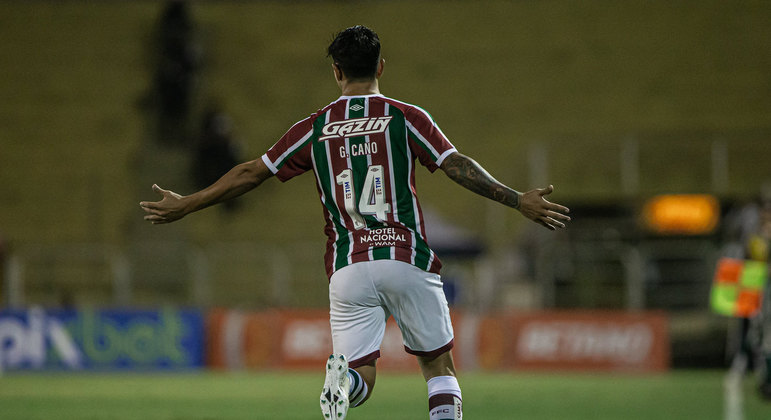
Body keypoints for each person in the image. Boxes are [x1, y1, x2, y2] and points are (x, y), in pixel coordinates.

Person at [140, 25, 571, 420]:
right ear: (381, 65)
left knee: (362, 373)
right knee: (438, 367)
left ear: (336, 71)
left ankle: (342, 383)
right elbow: (455, 165)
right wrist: (517, 200)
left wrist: (188, 203)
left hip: (348, 268)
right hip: (405, 258)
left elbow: (253, 171)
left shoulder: (315, 127)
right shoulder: (405, 117)